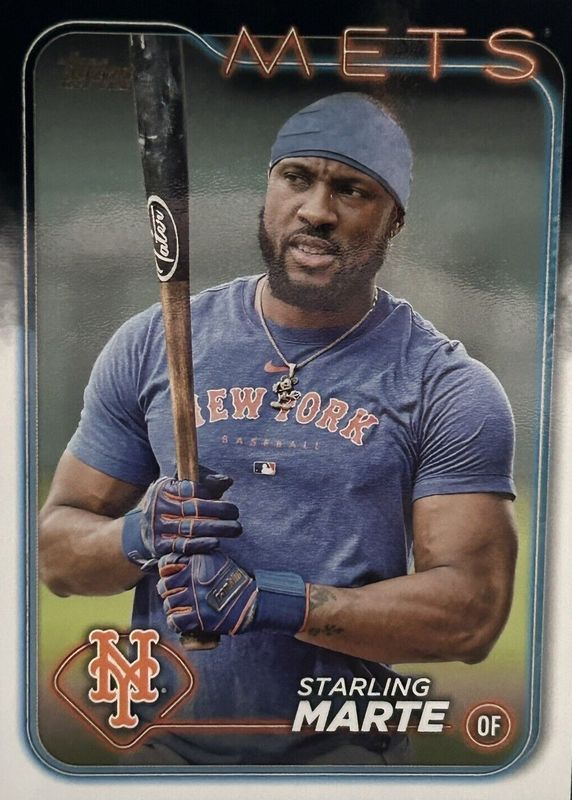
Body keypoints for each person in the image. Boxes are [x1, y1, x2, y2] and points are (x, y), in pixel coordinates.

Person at [39, 93, 517, 766]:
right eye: (297, 177)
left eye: (351, 189)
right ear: (268, 189)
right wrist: (137, 534)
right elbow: (57, 555)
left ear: (395, 218)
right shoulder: (154, 344)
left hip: (345, 758)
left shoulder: (445, 386)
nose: (317, 210)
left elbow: (471, 615)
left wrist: (273, 603)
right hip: (164, 753)